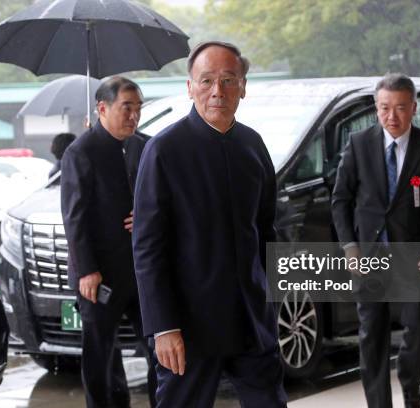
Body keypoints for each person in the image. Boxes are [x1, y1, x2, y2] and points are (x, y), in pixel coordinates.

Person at [132, 41, 287, 407]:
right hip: (188, 325)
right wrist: (163, 326)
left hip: (251, 319)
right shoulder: (163, 150)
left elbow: (266, 230)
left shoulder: (253, 145)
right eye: (206, 81)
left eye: (228, 80)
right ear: (190, 87)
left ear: (243, 87)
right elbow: (148, 246)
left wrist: (272, 300)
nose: (217, 91)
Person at [332, 73, 420, 408]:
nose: (392, 116)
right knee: (371, 336)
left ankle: (409, 379)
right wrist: (350, 247)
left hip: (414, 256)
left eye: (400, 108)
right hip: (369, 256)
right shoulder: (358, 145)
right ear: (376, 108)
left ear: (414, 108)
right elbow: (341, 199)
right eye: (385, 108)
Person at [60, 76, 156, 408]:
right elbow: (75, 217)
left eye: (138, 108)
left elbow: (164, 199)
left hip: (142, 270)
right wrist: (87, 270)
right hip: (99, 275)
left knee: (157, 347)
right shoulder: (81, 152)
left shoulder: (145, 146)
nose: (134, 116)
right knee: (100, 353)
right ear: (102, 108)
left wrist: (147, 216)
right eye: (126, 107)